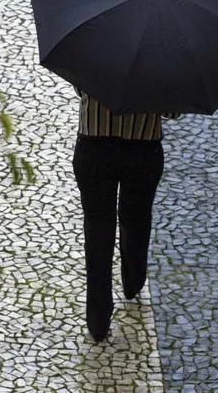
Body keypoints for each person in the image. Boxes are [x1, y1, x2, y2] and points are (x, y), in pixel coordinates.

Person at [71, 88, 180, 342]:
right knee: (137, 218)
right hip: (142, 150)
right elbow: (172, 111)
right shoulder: (161, 56)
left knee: (97, 231)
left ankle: (98, 319)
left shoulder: (91, 48)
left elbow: (79, 87)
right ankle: (133, 280)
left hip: (94, 147)